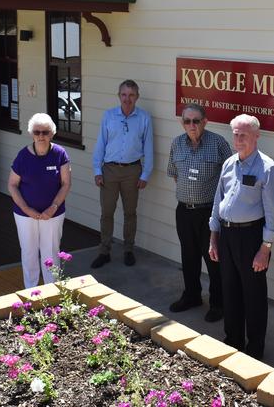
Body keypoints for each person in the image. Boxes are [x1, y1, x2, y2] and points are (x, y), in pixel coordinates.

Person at [209, 114, 274, 360]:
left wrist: (266, 248)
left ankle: (255, 348)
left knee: (254, 295)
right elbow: (218, 201)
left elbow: (273, 213)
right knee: (229, 290)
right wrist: (213, 236)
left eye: (244, 135)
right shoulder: (229, 163)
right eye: (236, 135)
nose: (239, 140)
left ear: (256, 136)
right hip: (227, 235)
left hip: (252, 238)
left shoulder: (267, 168)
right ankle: (233, 341)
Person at [167, 103, 232, 322]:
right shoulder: (177, 144)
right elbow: (175, 174)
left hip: (209, 213)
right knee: (189, 257)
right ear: (182, 122)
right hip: (184, 211)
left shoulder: (218, 144)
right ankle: (192, 296)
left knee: (213, 260)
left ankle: (218, 303)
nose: (192, 125)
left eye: (196, 121)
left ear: (205, 121)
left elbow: (230, 180)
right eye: (187, 121)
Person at [91, 79, 153, 268]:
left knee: (130, 213)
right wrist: (97, 170)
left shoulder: (144, 118)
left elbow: (149, 147)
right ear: (119, 96)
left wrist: (145, 174)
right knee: (107, 212)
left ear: (137, 97)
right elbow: (101, 143)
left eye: (131, 95)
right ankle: (104, 251)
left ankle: (128, 250)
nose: (127, 99)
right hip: (109, 170)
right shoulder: (109, 116)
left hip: (132, 171)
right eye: (124, 95)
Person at [8, 113, 71, 289]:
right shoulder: (23, 156)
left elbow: (66, 184)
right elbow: (12, 185)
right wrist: (27, 209)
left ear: (52, 133)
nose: (41, 136)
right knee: (29, 252)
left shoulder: (60, 153)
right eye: (37, 132)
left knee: (50, 253)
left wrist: (53, 207)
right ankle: (32, 291)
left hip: (53, 213)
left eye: (45, 132)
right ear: (31, 134)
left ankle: (53, 292)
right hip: (25, 214)